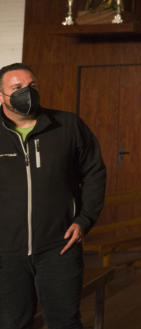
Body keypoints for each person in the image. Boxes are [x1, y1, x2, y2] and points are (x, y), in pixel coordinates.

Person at [0, 62, 107, 329]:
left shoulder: (67, 125)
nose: (27, 91)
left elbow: (95, 173)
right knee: (11, 322)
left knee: (64, 322)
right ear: (1, 95)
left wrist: (84, 220)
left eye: (32, 86)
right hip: (6, 253)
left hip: (59, 247)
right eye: (17, 87)